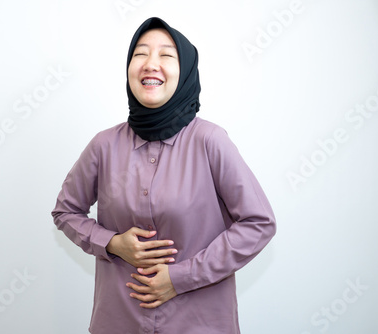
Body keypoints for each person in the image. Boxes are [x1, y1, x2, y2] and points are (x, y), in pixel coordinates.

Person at [52, 17, 276, 334]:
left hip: (199, 324)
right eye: (140, 54)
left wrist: (180, 277)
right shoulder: (104, 145)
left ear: (184, 72)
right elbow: (65, 211)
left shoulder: (210, 141)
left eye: (166, 55)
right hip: (119, 322)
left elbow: (259, 223)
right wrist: (112, 243)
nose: (150, 64)